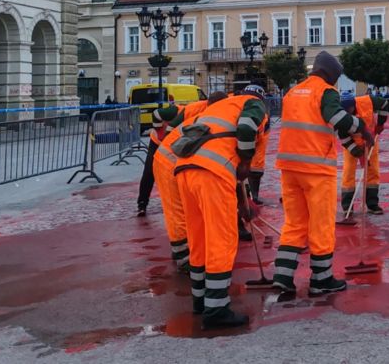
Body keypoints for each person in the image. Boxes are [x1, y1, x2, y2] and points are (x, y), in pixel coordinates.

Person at [273, 51, 372, 295]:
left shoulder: (293, 93)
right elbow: (337, 118)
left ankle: (283, 277)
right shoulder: (326, 91)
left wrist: (354, 148)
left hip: (289, 167)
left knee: (294, 223)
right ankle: (321, 279)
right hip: (316, 168)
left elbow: (327, 127)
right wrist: (363, 128)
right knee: (321, 224)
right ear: (330, 74)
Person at [174, 84, 269, 329]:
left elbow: (228, 158)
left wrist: (243, 203)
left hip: (186, 171)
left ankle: (201, 301)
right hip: (212, 174)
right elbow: (247, 128)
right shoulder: (253, 103)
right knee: (222, 239)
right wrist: (247, 160)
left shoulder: (223, 106)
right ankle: (216, 311)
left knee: (199, 238)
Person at [340, 92, 389, 215]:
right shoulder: (339, 116)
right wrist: (358, 153)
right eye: (345, 110)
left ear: (354, 105)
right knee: (348, 172)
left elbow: (385, 104)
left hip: (370, 140)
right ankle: (348, 206)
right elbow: (344, 139)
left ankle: (372, 204)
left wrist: (380, 123)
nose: (347, 112)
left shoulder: (367, 102)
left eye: (349, 109)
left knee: (373, 170)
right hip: (351, 144)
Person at [137, 105, 179, 217]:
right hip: (157, 142)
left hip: (175, 141)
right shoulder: (159, 129)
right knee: (149, 171)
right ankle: (142, 203)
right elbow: (160, 134)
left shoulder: (183, 117)